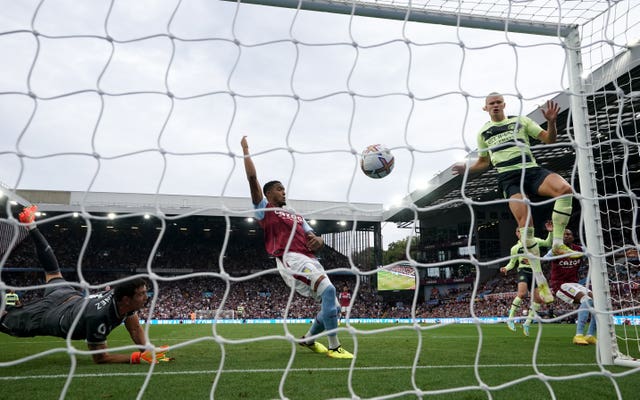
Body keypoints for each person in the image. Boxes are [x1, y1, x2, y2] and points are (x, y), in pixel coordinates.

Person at [0, 205, 172, 365]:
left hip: (68, 296)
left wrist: (148, 351)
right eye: (141, 293)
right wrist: (137, 358)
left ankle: (31, 225)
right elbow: (101, 358)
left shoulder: (124, 300)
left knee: (53, 272)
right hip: (52, 316)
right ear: (127, 299)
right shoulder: (98, 317)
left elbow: (135, 329)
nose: (146, 296)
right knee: (6, 323)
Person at [453, 93, 580, 305]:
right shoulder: (483, 132)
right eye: (491, 103)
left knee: (565, 189)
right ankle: (540, 281)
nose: (495, 105)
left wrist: (551, 122)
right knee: (525, 224)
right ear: (485, 108)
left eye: (498, 102)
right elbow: (485, 162)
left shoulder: (520, 121)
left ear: (504, 104)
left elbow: (549, 139)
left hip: (531, 170)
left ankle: (557, 244)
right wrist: (467, 167)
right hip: (507, 177)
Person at [241, 136, 353, 359]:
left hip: (311, 259)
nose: (284, 192)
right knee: (329, 290)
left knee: (333, 305)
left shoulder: (295, 214)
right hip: (291, 258)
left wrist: (319, 241)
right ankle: (334, 347)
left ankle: (309, 339)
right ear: (269, 193)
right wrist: (246, 151)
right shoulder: (265, 208)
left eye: (284, 189)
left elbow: (313, 235)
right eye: (279, 189)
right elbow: (253, 179)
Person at [544, 227, 596, 345]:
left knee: (598, 302)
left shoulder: (580, 249)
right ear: (561, 238)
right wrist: (553, 253)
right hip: (560, 285)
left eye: (569, 234)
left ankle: (590, 335)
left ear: (573, 237)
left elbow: (595, 254)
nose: (567, 236)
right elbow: (544, 259)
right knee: (586, 299)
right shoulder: (556, 250)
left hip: (574, 283)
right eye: (564, 234)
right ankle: (578, 335)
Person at [500, 221, 552, 336]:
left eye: (522, 231)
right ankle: (510, 318)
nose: (520, 233)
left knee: (538, 300)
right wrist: (506, 268)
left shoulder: (535, 241)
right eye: (519, 231)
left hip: (536, 272)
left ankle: (527, 323)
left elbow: (548, 242)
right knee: (522, 294)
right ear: (516, 233)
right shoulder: (515, 248)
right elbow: (512, 263)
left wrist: (550, 232)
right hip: (523, 271)